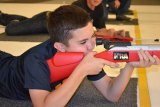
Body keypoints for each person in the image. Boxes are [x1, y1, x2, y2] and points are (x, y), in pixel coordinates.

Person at [0, 5, 160, 107]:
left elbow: (112, 95)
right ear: (60, 47)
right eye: (83, 41)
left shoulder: (83, 54)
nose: (91, 45)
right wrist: (81, 71)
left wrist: (130, 64)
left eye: (92, 36)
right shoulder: (36, 61)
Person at [0, 0, 125, 36]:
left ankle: (2, 17)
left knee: (25, 22)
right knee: (12, 30)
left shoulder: (100, 9)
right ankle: (12, 21)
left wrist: (112, 33)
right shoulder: (78, 5)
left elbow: (101, 29)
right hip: (47, 21)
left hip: (52, 26)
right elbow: (72, 27)